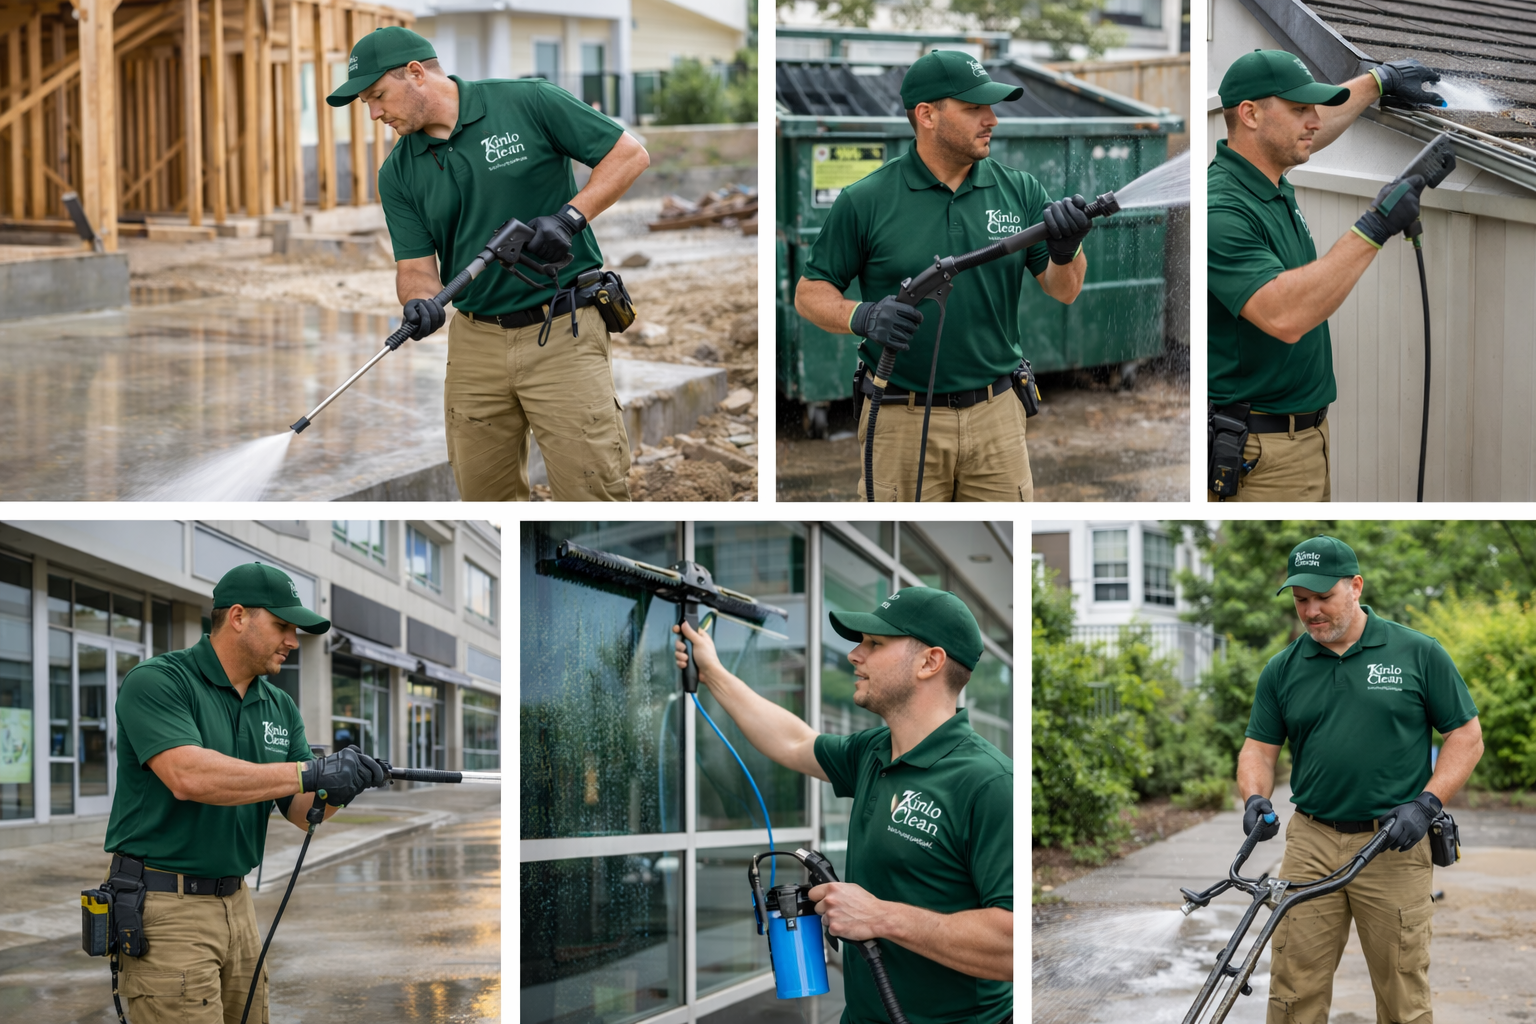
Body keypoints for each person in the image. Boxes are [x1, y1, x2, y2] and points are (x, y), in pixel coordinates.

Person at [327, 26, 650, 501]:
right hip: (475, 343)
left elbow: (628, 154)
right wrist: (419, 302)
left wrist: (568, 219)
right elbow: (415, 268)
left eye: (378, 96)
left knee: (590, 488)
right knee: (485, 496)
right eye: (366, 104)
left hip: (563, 328)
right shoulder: (397, 172)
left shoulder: (528, 102)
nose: (375, 113)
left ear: (416, 74)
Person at [675, 586, 1013, 1023]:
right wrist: (713, 671)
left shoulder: (989, 782)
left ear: (930, 662)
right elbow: (794, 741)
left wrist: (880, 917)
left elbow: (1013, 944)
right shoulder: (873, 751)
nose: (855, 655)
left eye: (875, 644)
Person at [794, 50, 1091, 502]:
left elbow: (1064, 291)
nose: (991, 119)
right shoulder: (866, 199)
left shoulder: (1022, 190)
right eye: (974, 108)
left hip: (998, 418)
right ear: (927, 115)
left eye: (991, 107)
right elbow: (809, 292)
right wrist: (863, 315)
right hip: (900, 419)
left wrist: (1067, 250)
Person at [102, 563, 391, 1023]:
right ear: (238, 617)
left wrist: (342, 786)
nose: (293, 641)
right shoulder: (159, 681)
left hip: (237, 905)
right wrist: (309, 772)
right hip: (165, 905)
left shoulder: (278, 704)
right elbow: (188, 776)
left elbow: (302, 811)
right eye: (282, 626)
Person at [1238, 536, 1484, 1024]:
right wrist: (1254, 798)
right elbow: (1258, 749)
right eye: (1300, 600)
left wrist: (1427, 804)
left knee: (1402, 993)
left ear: (1355, 586)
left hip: (1393, 842)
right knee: (1293, 989)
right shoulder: (1283, 669)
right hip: (1310, 842)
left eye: (1322, 597)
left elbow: (1466, 734)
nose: (1310, 612)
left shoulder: (1417, 652)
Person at [1208, 49, 1446, 501]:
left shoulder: (1268, 176)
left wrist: (1381, 79)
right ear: (1251, 114)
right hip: (1262, 453)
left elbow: (1317, 131)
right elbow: (1285, 315)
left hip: (1302, 438)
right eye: (1300, 109)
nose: (1315, 121)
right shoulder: (1222, 209)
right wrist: (1374, 226)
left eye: (1314, 109)